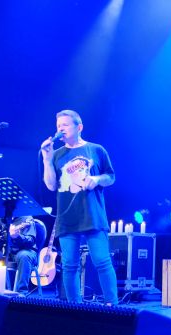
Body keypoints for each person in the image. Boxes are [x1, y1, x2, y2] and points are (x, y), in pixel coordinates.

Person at [40, 109, 118, 305]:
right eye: (58, 126)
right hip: (67, 217)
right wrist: (47, 160)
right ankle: (75, 307)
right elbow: (50, 185)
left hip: (92, 214)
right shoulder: (55, 154)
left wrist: (96, 179)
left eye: (65, 125)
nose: (60, 129)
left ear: (79, 127)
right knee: (69, 265)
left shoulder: (96, 150)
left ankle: (113, 305)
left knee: (102, 261)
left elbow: (111, 177)